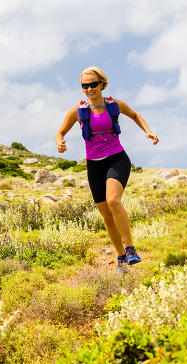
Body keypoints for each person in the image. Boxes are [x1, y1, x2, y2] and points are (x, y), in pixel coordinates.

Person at [55, 66, 159, 273]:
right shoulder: (78, 110)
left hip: (117, 159)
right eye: (85, 85)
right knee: (106, 215)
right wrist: (60, 143)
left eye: (93, 84)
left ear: (102, 84)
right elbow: (60, 131)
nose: (89, 88)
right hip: (94, 164)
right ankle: (121, 257)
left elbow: (136, 115)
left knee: (113, 201)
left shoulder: (115, 105)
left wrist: (148, 131)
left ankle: (130, 250)